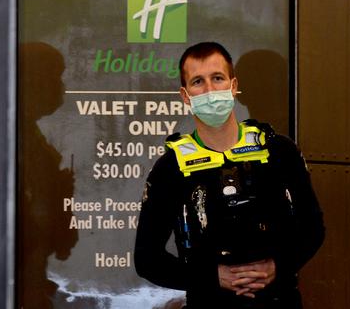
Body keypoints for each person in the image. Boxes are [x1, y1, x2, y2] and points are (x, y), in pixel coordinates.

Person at [134, 42, 325, 309]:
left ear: (233, 86)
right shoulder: (171, 167)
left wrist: (277, 266)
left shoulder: (279, 150)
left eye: (218, 78)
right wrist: (213, 277)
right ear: (186, 95)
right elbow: (147, 259)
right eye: (198, 81)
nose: (210, 91)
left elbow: (313, 228)